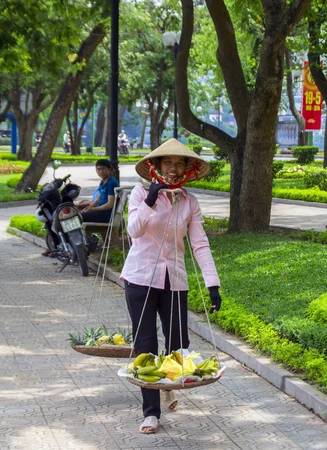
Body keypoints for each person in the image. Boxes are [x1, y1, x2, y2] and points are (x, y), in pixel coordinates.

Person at [120, 139, 223, 434]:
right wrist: (152, 198)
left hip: (174, 279)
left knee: (179, 343)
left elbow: (200, 244)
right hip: (140, 278)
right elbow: (134, 230)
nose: (174, 169)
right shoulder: (140, 193)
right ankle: (151, 412)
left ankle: (167, 385)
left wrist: (212, 284)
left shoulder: (189, 201)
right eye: (169, 163)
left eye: (180, 164)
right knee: (146, 345)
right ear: (156, 166)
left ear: (187, 169)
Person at [78, 159, 119, 223]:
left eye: (103, 168)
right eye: (98, 169)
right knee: (76, 213)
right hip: (99, 211)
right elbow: (97, 200)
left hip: (106, 214)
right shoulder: (103, 182)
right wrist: (88, 208)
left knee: (78, 218)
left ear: (109, 170)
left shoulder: (111, 183)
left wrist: (93, 209)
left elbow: (110, 204)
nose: (101, 171)